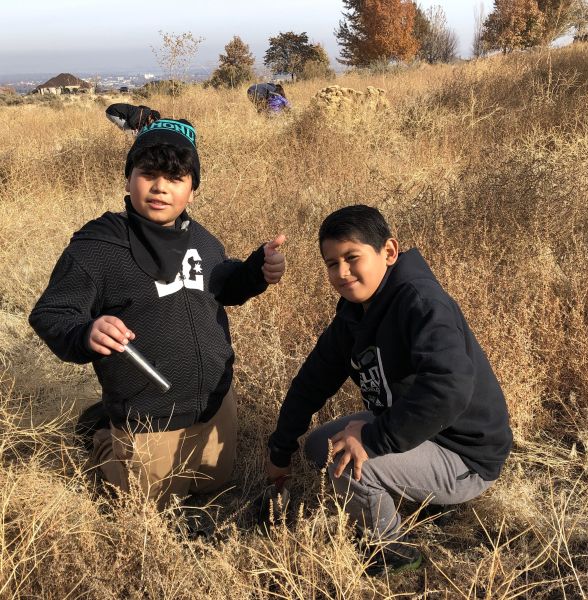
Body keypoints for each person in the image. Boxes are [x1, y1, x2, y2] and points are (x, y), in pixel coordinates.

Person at [30, 118, 286, 510]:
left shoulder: (201, 240)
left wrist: (257, 271)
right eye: (147, 174)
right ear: (128, 178)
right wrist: (86, 332)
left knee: (216, 480)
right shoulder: (97, 246)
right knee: (146, 505)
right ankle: (103, 437)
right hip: (148, 409)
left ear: (193, 190)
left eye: (175, 177)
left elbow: (223, 283)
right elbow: (51, 313)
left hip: (213, 399)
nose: (160, 187)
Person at [266, 205, 512, 574]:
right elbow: (311, 382)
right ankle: (416, 493)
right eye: (332, 264)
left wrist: (373, 438)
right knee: (321, 445)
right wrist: (280, 449)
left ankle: (396, 555)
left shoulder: (421, 302)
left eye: (352, 257)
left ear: (389, 251)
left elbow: (449, 388)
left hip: (465, 453)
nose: (342, 272)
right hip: (417, 431)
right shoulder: (354, 313)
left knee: (344, 463)